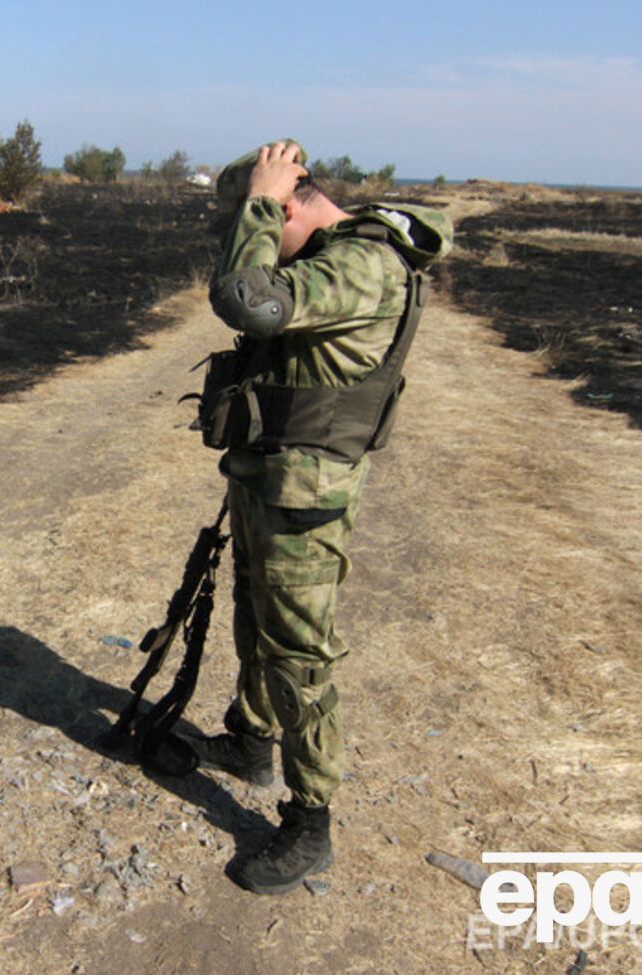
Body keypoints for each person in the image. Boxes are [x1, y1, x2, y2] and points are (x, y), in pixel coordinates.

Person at [158, 141, 452, 895]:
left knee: (299, 654)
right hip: (273, 473)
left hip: (306, 494)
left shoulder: (363, 264)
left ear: (288, 205)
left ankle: (310, 819)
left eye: (260, 222)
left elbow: (249, 299)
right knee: (255, 617)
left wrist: (258, 200)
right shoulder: (333, 257)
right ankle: (252, 741)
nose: (251, 242)